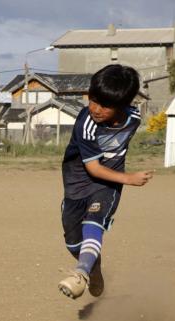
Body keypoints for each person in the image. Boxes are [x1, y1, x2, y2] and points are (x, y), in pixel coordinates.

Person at [58, 64, 153, 299]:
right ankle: (93, 267)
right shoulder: (86, 124)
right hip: (78, 184)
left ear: (122, 105)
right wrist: (129, 178)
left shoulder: (134, 118)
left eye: (105, 105)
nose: (95, 109)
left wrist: (121, 179)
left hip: (107, 184)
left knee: (94, 221)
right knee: (73, 244)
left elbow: (116, 149)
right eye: (92, 100)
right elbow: (93, 167)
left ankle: (80, 273)